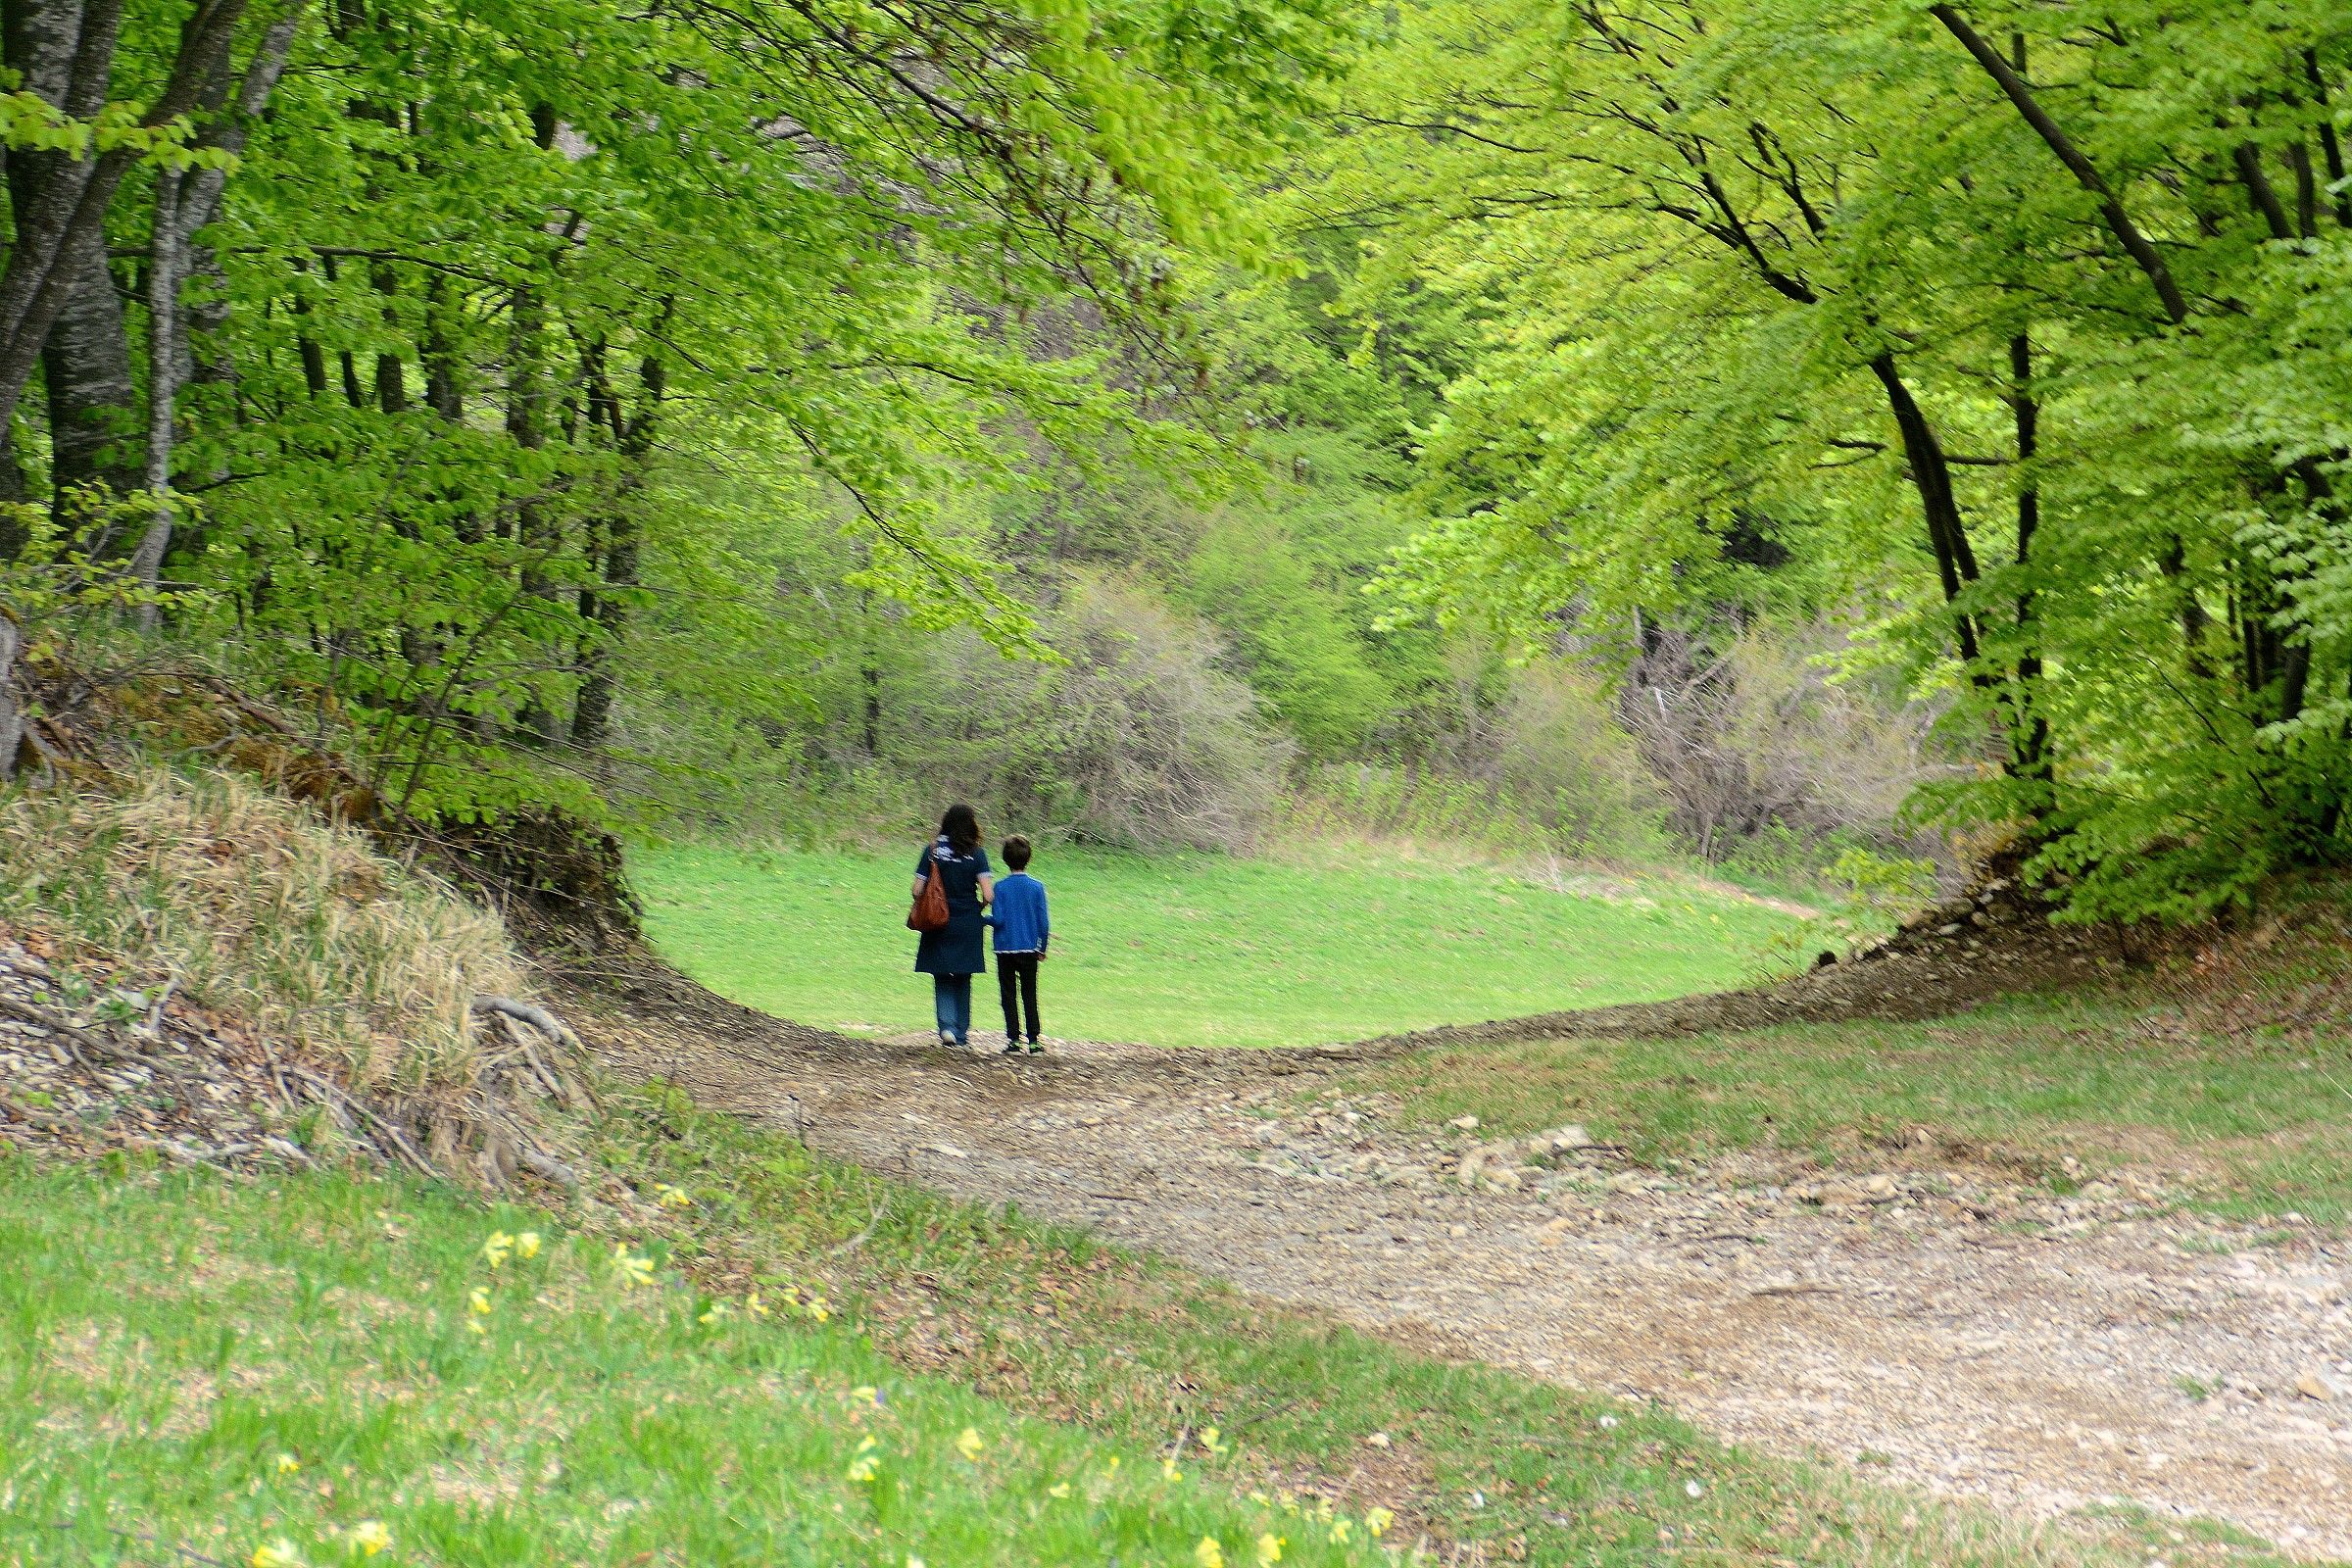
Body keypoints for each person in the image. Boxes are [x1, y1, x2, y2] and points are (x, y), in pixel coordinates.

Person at [912, 804, 992, 1048]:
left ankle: (946, 1027)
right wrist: (976, 907)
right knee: (963, 976)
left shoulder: (932, 851)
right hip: (967, 920)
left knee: (942, 974)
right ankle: (962, 1035)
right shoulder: (977, 853)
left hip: (938, 920)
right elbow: (988, 895)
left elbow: (917, 889)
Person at [984, 834, 1050, 1054]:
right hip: (1030, 948)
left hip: (1004, 948)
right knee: (1029, 994)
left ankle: (1013, 1040)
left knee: (1008, 994)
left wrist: (983, 919)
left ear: (1005, 859)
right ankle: (1034, 1040)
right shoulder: (1037, 887)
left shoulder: (1000, 888)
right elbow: (1044, 922)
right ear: (1028, 858)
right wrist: (1042, 947)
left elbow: (999, 919)